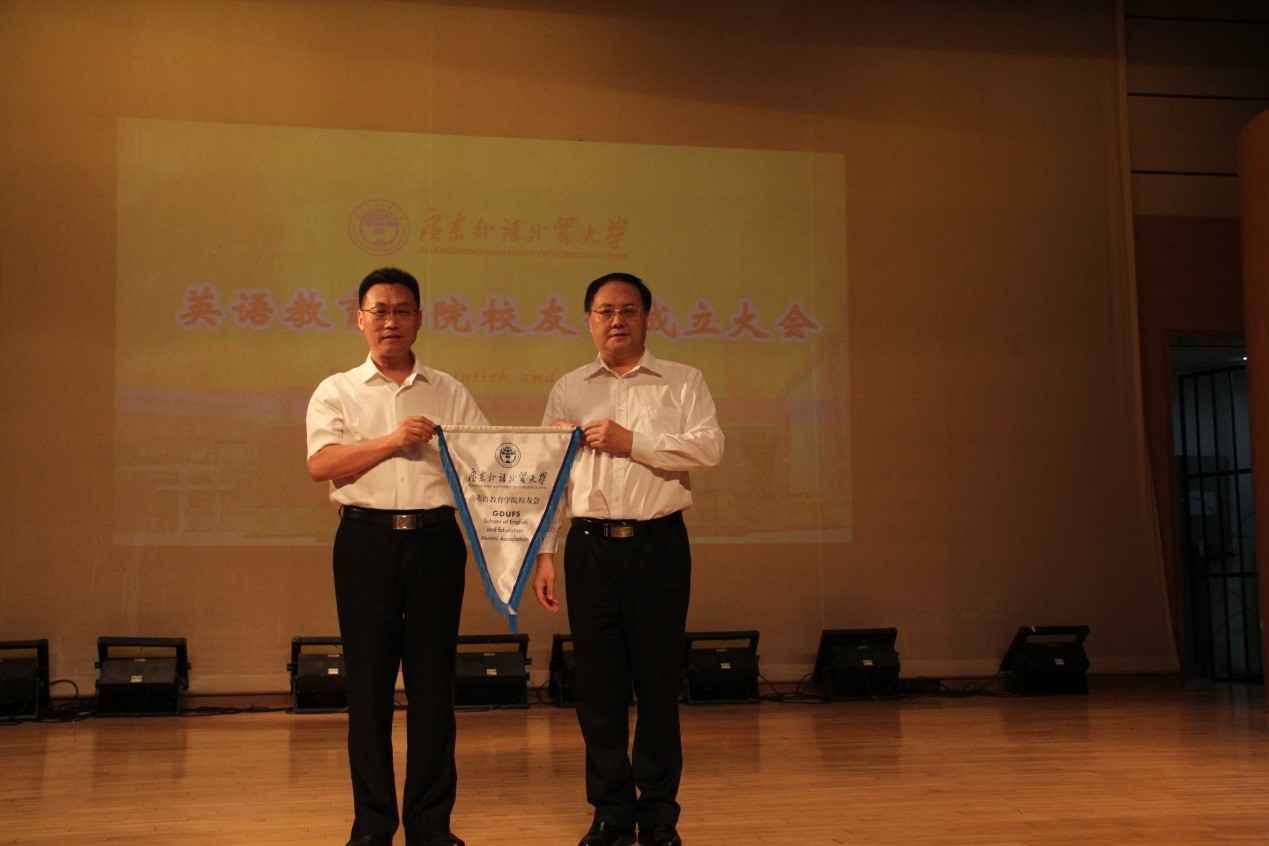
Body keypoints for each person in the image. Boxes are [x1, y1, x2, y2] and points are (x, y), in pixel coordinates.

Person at [531, 272, 724, 846]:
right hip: (590, 548)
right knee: (599, 689)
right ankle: (611, 812)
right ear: (588, 320)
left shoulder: (683, 381)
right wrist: (545, 552)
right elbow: (549, 481)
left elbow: (709, 448)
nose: (617, 320)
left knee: (659, 683)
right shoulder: (568, 388)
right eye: (605, 311)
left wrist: (631, 441)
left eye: (629, 310)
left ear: (647, 317)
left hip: (658, 546)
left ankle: (659, 814)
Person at [306, 267, 488, 846]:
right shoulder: (336, 390)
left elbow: (487, 460)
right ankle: (372, 825)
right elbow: (321, 465)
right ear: (359, 318)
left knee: (434, 689)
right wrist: (393, 440)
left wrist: (553, 444)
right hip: (366, 542)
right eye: (380, 310)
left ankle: (431, 825)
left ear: (419, 319)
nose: (391, 321)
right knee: (369, 689)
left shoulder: (448, 390)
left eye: (403, 310)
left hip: (435, 542)